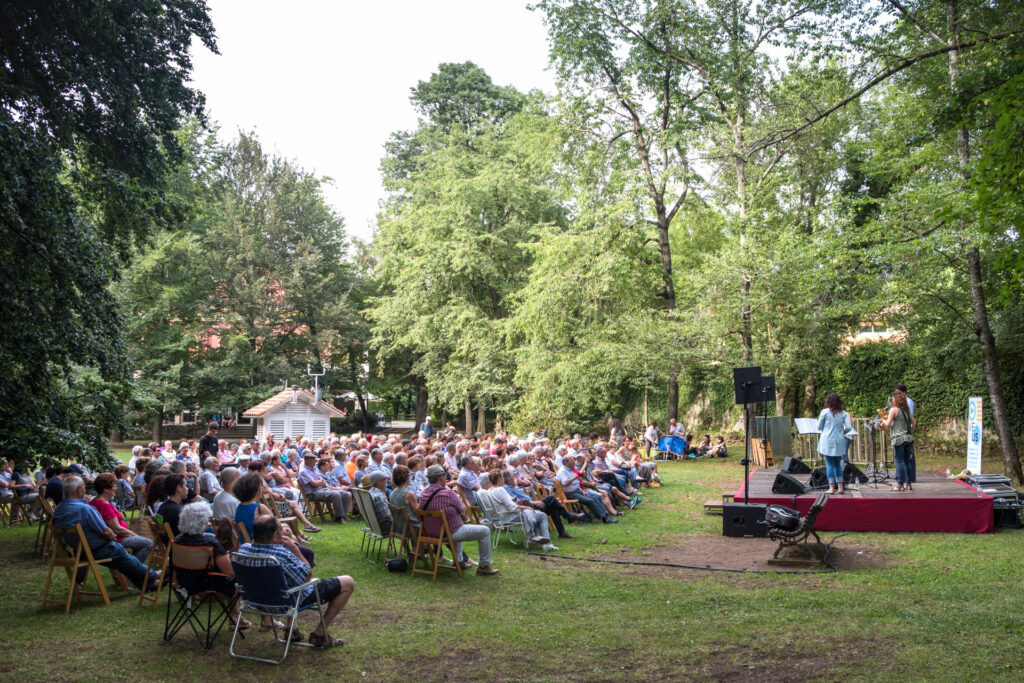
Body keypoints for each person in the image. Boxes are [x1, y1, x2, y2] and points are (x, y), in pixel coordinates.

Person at [237, 515, 353, 647]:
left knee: (287, 583)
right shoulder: (282, 554)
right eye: (280, 531)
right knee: (347, 582)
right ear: (275, 535)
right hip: (284, 604)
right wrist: (295, 549)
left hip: (256, 602)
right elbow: (307, 576)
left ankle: (292, 630)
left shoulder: (243, 550)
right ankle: (320, 634)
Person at [51, 475, 160, 591]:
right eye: (83, 487)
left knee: (126, 560)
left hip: (78, 550)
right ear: (80, 490)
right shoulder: (85, 509)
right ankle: (153, 576)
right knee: (125, 557)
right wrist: (113, 536)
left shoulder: (58, 510)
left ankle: (148, 582)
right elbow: (107, 532)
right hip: (97, 550)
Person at [418, 465, 498, 575]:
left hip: (431, 533)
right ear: (441, 477)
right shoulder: (447, 493)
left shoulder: (423, 494)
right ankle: (484, 566)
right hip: (448, 532)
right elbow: (463, 509)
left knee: (455, 524)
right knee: (484, 531)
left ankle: (459, 562)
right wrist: (461, 516)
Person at [486, 470, 557, 550]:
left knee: (536, 513)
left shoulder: (490, 491)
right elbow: (511, 506)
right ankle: (545, 543)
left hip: (501, 516)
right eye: (502, 477)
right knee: (542, 515)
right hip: (509, 516)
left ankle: (536, 535)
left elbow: (509, 502)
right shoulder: (500, 490)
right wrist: (526, 507)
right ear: (499, 478)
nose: (504, 479)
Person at [89, 473, 153, 562]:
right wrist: (134, 535)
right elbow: (117, 529)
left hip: (108, 539)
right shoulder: (104, 505)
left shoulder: (94, 501)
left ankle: (131, 566)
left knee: (141, 542)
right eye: (113, 486)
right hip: (116, 539)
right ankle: (135, 570)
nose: (116, 488)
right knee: (148, 543)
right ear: (105, 490)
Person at [556, 455, 616, 523]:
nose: (574, 462)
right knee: (590, 500)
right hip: (570, 493)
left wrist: (581, 490)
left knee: (596, 497)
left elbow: (575, 483)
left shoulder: (569, 469)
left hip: (577, 490)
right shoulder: (563, 471)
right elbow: (565, 484)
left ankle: (606, 515)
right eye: (572, 461)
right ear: (566, 463)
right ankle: (604, 518)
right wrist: (574, 477)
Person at [817, 393, 854, 495]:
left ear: (828, 402)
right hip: (839, 440)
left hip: (827, 440)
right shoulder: (843, 413)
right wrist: (843, 432)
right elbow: (849, 427)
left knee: (829, 464)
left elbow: (819, 427)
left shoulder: (825, 412)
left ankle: (831, 488)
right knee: (837, 464)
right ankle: (841, 488)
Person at [298, 452, 351, 523]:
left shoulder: (312, 468)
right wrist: (320, 481)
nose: (316, 461)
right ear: (308, 460)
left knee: (344, 493)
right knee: (336, 494)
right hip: (313, 493)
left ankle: (342, 515)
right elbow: (314, 484)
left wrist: (319, 481)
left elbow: (319, 480)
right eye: (314, 460)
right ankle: (339, 518)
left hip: (321, 489)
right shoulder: (303, 471)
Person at [882, 387, 917, 492]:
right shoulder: (906, 410)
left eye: (893, 398)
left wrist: (883, 421)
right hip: (908, 438)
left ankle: (900, 485)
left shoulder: (894, 410)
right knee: (907, 461)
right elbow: (914, 423)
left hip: (898, 439)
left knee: (900, 462)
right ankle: (909, 484)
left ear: (895, 399)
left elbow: (887, 424)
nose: (892, 400)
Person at [367, 471, 393, 536]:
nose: (386, 481)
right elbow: (388, 516)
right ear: (380, 482)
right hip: (384, 528)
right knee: (414, 526)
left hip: (374, 526)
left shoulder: (369, 492)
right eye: (385, 480)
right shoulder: (378, 497)